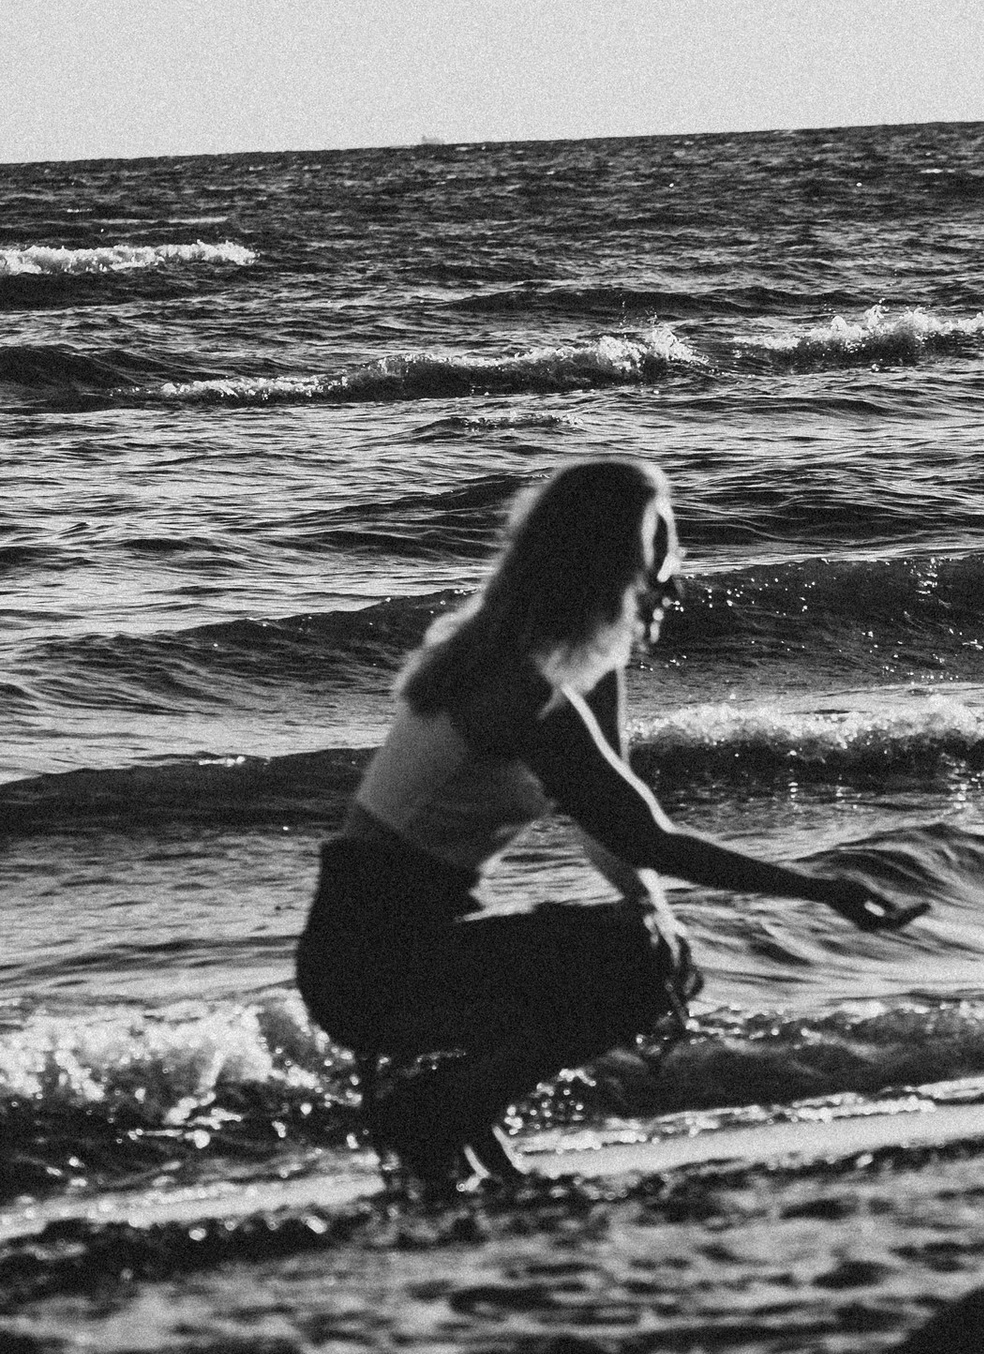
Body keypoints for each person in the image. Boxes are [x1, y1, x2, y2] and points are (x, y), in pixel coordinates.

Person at [296, 454, 921, 1177]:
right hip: (368, 969)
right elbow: (646, 837)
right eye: (660, 549)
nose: (674, 576)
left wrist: (657, 916)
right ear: (607, 562)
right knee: (633, 962)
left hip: (405, 947)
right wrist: (821, 890)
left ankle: (460, 1126)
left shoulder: (557, 665)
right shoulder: (519, 689)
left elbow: (610, 830)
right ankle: (431, 1115)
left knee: (641, 947)